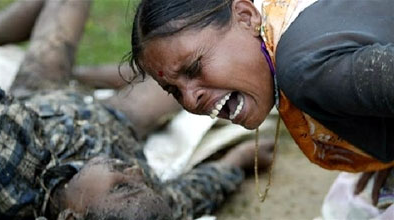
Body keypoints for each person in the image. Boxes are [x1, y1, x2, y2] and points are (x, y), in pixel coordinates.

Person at [0, 0, 275, 219]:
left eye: (122, 186)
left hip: (43, 93)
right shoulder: (141, 207)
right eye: (146, 184)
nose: (136, 172)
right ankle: (84, 75)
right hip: (122, 117)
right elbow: (193, 193)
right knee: (195, 78)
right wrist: (237, 160)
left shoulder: (12, 168)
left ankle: (78, 74)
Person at [128, 0, 394, 216]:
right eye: (174, 91)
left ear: (246, 16)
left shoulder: (305, 72)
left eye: (193, 68)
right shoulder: (288, 17)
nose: (189, 100)